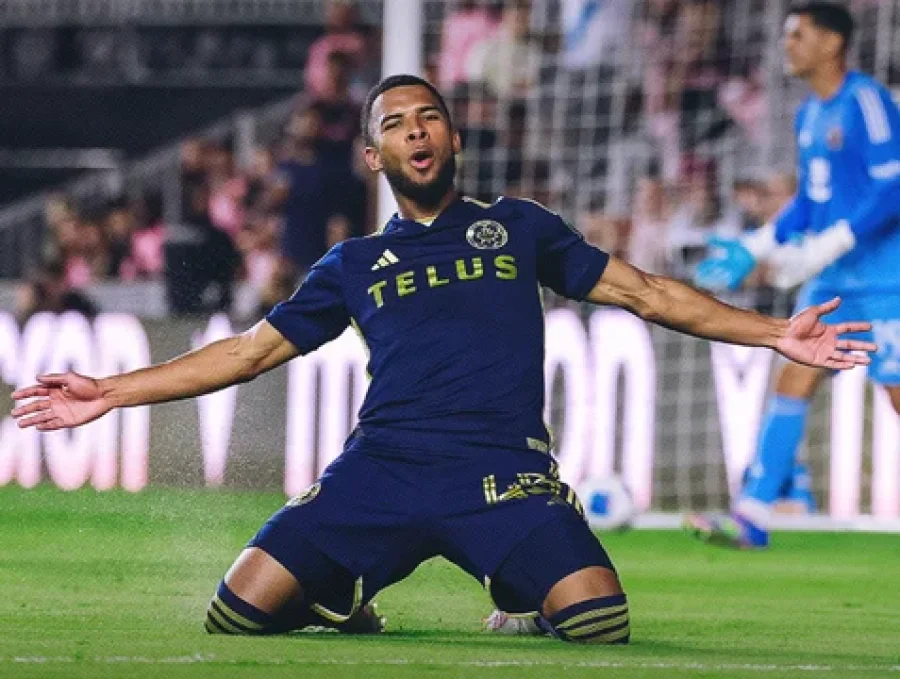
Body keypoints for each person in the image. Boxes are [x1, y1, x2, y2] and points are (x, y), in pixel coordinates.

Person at [11, 74, 875, 643]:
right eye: (396, 123)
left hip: (500, 472)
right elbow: (245, 353)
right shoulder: (350, 264)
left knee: (599, 619)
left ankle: (523, 590)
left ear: (452, 138)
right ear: (374, 154)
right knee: (235, 613)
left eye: (429, 117)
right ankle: (342, 595)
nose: (416, 132)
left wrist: (774, 333)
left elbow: (648, 292)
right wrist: (109, 392)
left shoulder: (518, 226)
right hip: (379, 471)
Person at [688, 2, 900, 549]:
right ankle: (753, 515)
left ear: (832, 43)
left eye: (798, 35)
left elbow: (892, 187)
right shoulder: (810, 115)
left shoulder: (867, 101)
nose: (788, 44)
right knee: (793, 374)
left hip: (885, 278)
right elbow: (809, 201)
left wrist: (835, 240)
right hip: (834, 283)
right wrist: (755, 243)